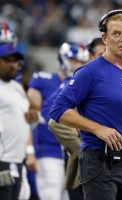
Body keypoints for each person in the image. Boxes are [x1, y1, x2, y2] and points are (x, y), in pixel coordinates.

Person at [50, 10, 122, 200]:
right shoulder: (89, 72)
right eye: (116, 34)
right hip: (99, 161)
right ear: (105, 38)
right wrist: (98, 129)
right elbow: (57, 109)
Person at [27, 42, 89, 200]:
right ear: (62, 59)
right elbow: (33, 114)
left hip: (70, 151)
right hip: (49, 148)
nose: (77, 65)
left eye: (81, 62)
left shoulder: (78, 83)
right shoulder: (42, 80)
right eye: (74, 60)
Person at [47, 38, 105, 199]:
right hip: (85, 157)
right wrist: (77, 124)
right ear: (92, 57)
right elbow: (53, 116)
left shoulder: (113, 80)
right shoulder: (76, 81)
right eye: (101, 55)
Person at [0, 42, 31, 200]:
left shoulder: (17, 87)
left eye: (15, 61)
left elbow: (25, 119)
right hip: (2, 160)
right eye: (7, 60)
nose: (13, 65)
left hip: (17, 159)